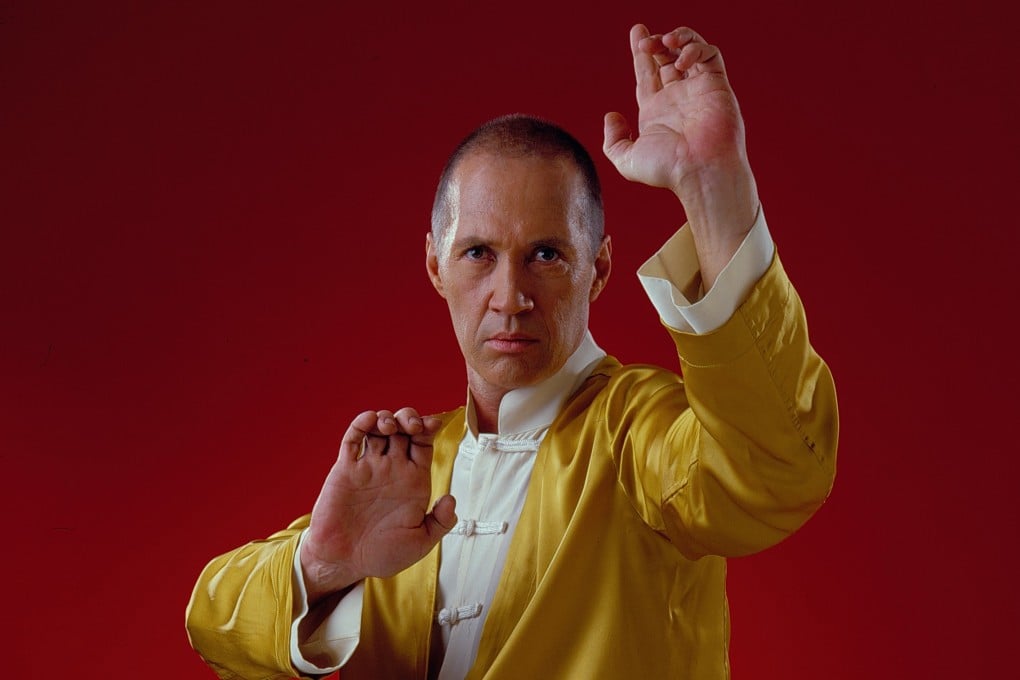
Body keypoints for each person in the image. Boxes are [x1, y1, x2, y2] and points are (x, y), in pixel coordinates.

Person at [186, 23, 837, 679]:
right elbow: (213, 622)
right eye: (478, 253)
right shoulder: (411, 466)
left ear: (599, 268)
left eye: (546, 255)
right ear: (436, 266)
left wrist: (712, 189)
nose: (510, 295)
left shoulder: (640, 432)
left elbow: (775, 466)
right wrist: (324, 564)